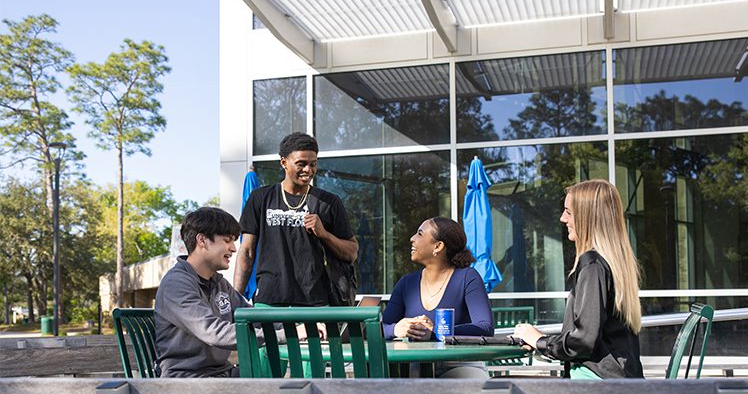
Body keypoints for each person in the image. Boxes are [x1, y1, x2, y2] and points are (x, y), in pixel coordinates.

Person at [512, 179, 643, 379]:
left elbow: (583, 341)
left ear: (589, 217)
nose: (562, 218)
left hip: (597, 381)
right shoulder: (615, 263)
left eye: (569, 212)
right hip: (621, 378)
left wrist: (540, 341)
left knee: (499, 386)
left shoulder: (593, 264)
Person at [155, 207, 285, 377]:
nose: (233, 248)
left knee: (282, 386)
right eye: (227, 240)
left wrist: (299, 327)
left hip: (221, 373)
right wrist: (283, 336)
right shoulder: (176, 284)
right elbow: (214, 332)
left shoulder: (219, 283)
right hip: (188, 379)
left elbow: (253, 318)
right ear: (202, 240)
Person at [233, 132, 358, 306]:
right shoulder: (260, 197)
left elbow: (352, 252)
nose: (308, 170)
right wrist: (235, 299)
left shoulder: (328, 202)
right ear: (284, 162)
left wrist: (324, 234)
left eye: (313, 164)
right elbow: (247, 250)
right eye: (301, 164)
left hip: (316, 304)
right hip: (270, 302)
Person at [382, 216, 494, 378]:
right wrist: (396, 329)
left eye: (419, 234)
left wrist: (435, 332)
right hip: (414, 366)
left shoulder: (468, 277)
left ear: (438, 246)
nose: (412, 239)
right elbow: (381, 328)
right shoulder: (406, 283)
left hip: (460, 364)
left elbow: (485, 328)